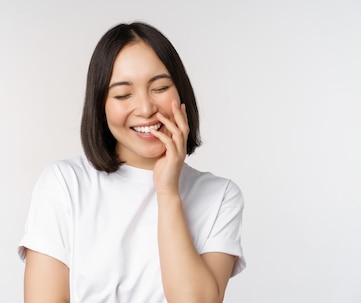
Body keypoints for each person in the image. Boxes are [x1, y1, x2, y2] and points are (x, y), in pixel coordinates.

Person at [17, 22, 245, 302]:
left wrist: (167, 192)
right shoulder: (64, 184)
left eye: (160, 87)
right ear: (101, 106)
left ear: (181, 93)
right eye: (123, 94)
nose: (147, 109)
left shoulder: (220, 196)